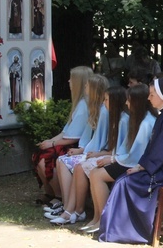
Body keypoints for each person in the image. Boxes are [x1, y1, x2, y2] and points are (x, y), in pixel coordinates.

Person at [99, 76, 163, 244]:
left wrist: (142, 168)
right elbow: (153, 148)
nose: (149, 98)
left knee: (125, 182)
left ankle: (129, 231)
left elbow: (162, 151)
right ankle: (117, 229)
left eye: (152, 95)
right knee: (123, 180)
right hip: (161, 166)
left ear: (162, 96)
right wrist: (141, 165)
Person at [86, 84, 156, 233]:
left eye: (129, 100)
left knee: (97, 176)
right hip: (128, 160)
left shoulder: (146, 123)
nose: (126, 103)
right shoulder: (139, 118)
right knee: (94, 173)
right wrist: (113, 158)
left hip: (137, 165)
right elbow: (126, 147)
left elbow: (136, 155)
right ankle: (97, 218)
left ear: (137, 102)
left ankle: (104, 219)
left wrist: (112, 160)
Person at [47, 74, 110, 223]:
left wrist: (84, 152)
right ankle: (68, 206)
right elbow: (89, 137)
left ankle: (73, 210)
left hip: (97, 153)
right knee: (62, 161)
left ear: (94, 89)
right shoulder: (93, 108)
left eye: (88, 86)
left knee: (72, 164)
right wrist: (81, 149)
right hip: (89, 151)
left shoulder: (104, 110)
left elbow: (101, 140)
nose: (85, 88)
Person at [33, 66, 93, 208]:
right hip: (69, 142)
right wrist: (50, 141)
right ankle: (51, 193)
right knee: (39, 154)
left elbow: (74, 137)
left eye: (72, 79)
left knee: (45, 159)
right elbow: (66, 131)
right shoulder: (78, 104)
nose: (68, 81)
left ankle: (60, 196)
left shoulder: (84, 106)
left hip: (77, 146)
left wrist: (52, 144)